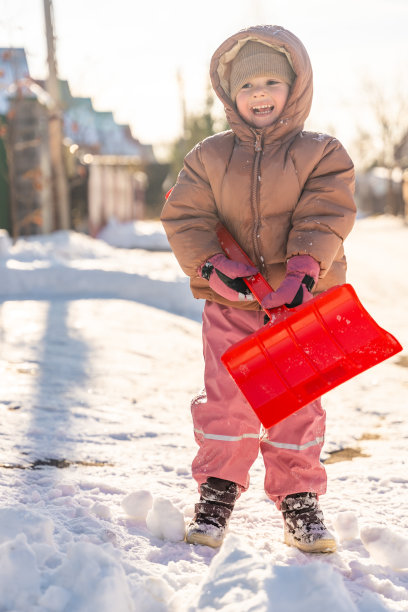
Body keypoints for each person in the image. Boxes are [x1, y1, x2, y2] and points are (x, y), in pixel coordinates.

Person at [161, 25, 356, 552]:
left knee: (297, 400)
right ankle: (218, 489)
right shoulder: (208, 156)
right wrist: (209, 264)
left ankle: (300, 501)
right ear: (229, 95)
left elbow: (326, 214)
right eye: (247, 86)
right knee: (229, 398)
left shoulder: (322, 153)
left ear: (296, 87)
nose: (260, 94)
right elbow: (186, 216)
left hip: (301, 299)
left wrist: (302, 269)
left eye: (271, 81)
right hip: (233, 301)